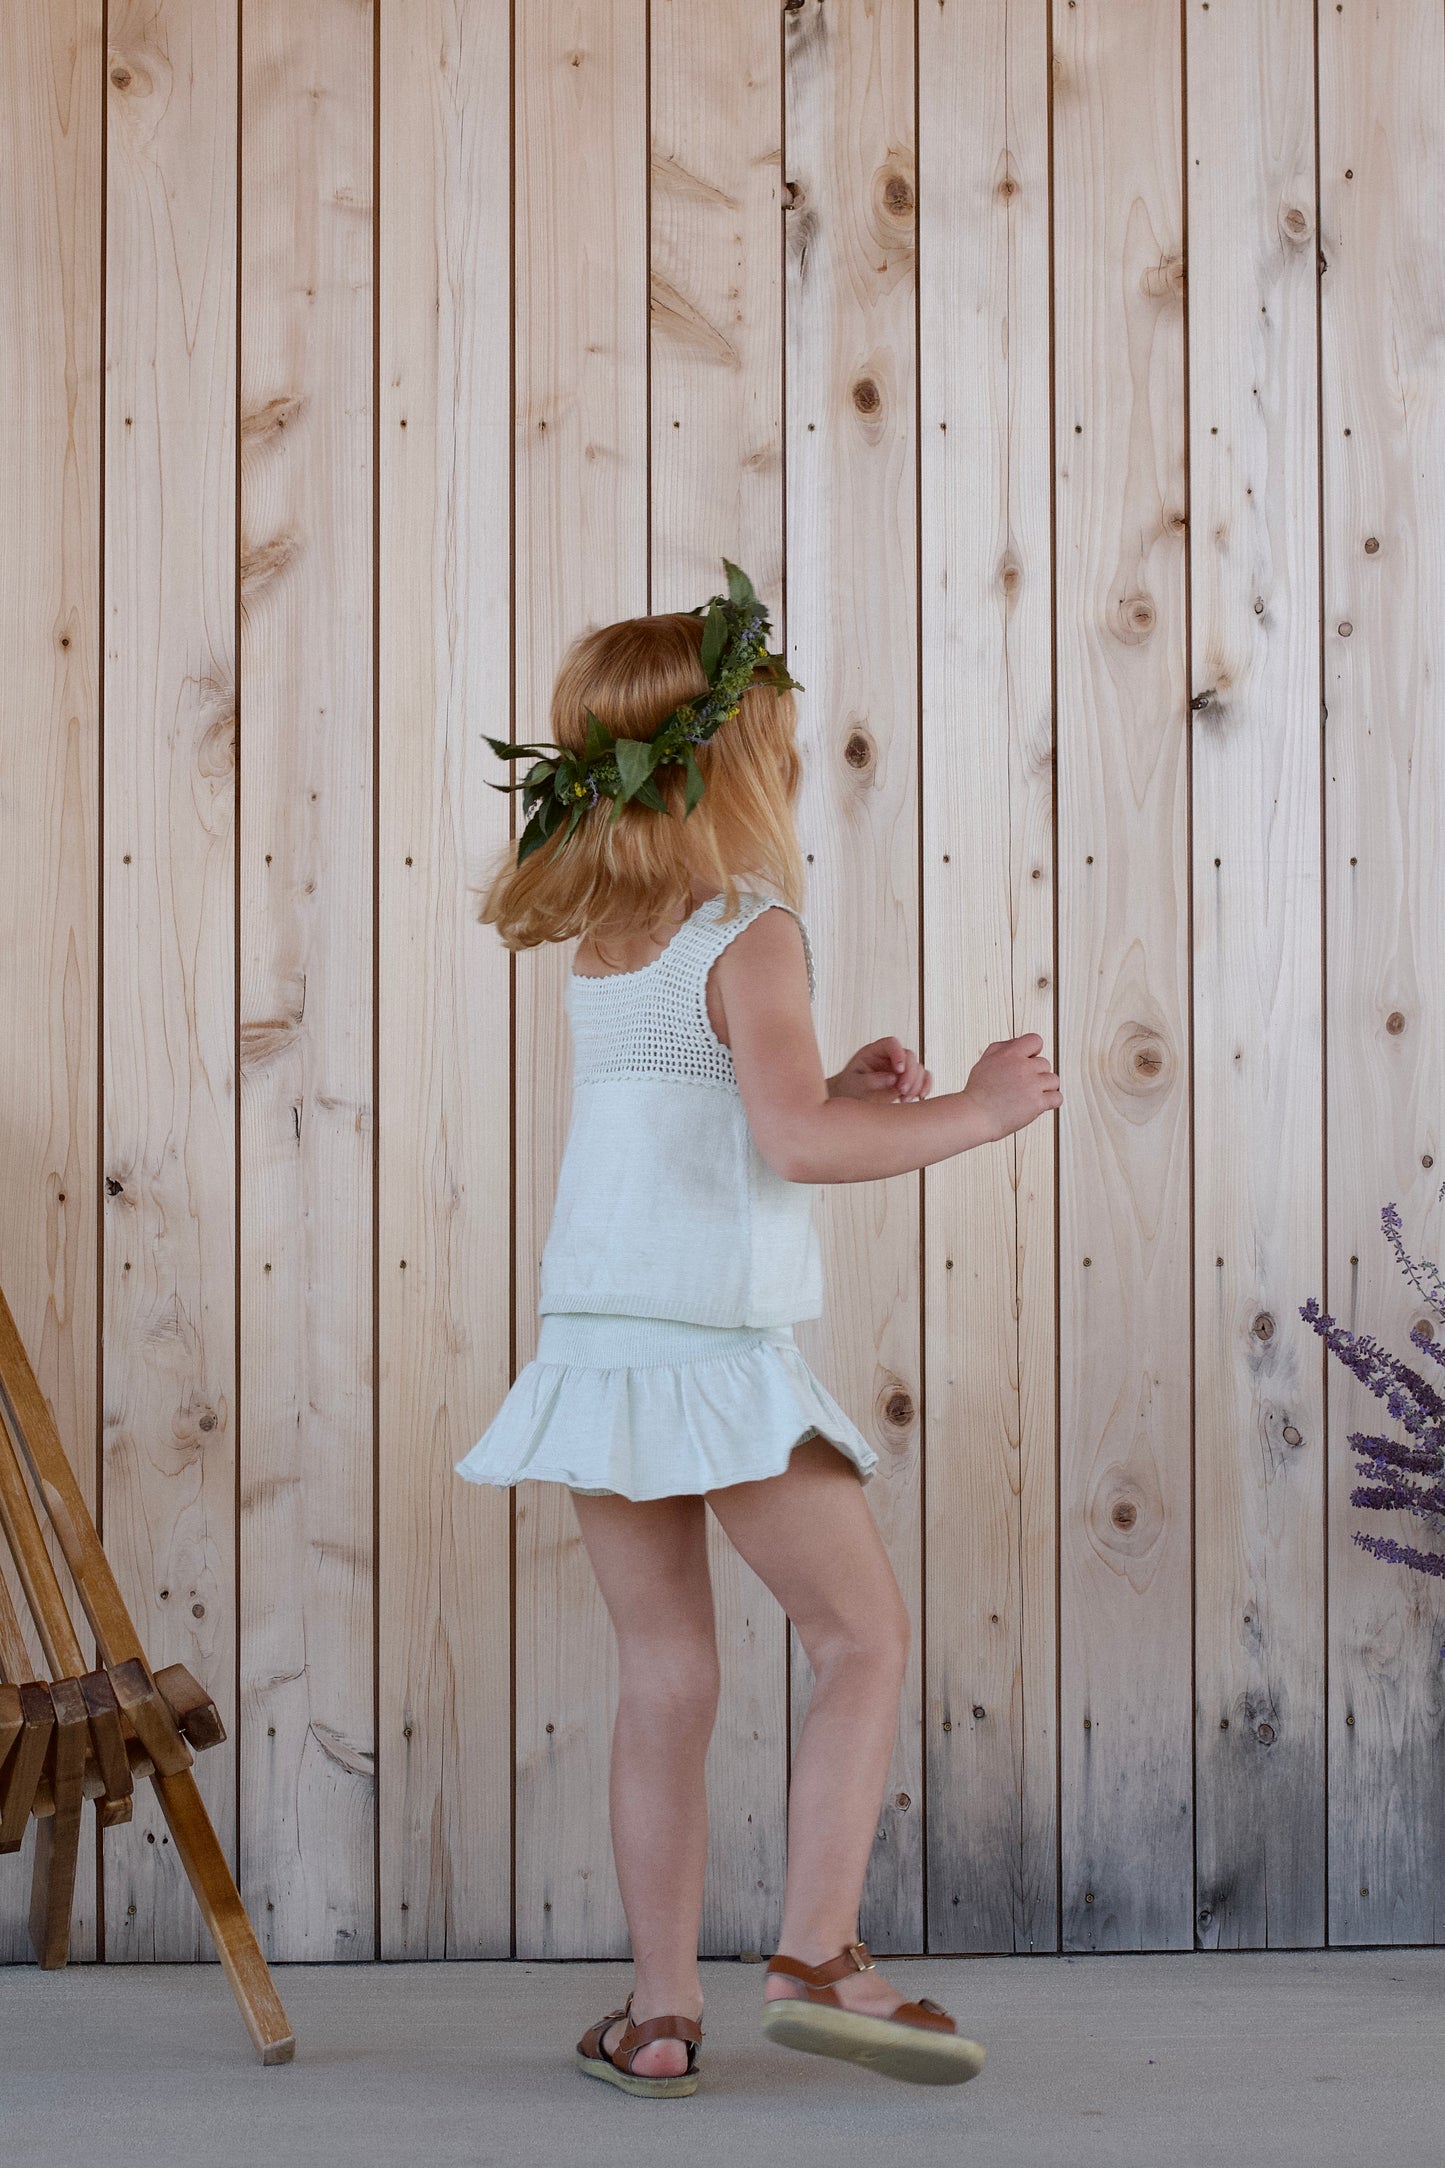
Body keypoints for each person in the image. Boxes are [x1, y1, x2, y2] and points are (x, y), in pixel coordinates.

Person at [456, 563, 1062, 2099]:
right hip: (714, 1353)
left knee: (667, 1675)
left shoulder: (613, 936)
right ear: (732, 760)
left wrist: (840, 1091)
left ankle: (661, 2015)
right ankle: (816, 1953)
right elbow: (789, 1148)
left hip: (597, 1342)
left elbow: (725, 1119)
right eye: (777, 738)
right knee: (857, 1638)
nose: (791, 760)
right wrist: (972, 1115)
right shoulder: (752, 924)